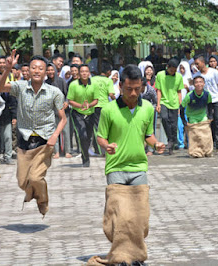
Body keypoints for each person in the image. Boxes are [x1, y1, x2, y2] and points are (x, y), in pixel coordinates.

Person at [90, 64, 165, 266]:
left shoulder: (148, 108)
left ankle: (135, 255)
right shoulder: (109, 110)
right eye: (129, 89)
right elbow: (100, 137)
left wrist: (155, 143)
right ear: (120, 86)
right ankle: (123, 256)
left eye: (137, 89)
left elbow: (148, 134)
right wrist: (107, 146)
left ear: (142, 86)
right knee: (121, 217)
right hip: (115, 169)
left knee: (140, 218)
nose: (133, 93)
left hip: (139, 168)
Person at [0, 50, 67, 216]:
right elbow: (0, 87)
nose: (36, 71)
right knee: (22, 182)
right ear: (27, 71)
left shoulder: (54, 92)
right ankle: (36, 193)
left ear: (46, 72)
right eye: (33, 68)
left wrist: (54, 136)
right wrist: (7, 69)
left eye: (40, 68)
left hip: (45, 142)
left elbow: (62, 119)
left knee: (35, 177)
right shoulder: (20, 87)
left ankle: (42, 200)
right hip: (25, 141)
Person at [67, 64, 98, 167]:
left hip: (90, 113)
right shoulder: (73, 85)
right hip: (77, 113)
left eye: (86, 71)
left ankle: (86, 151)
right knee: (82, 135)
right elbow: (70, 101)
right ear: (79, 74)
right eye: (82, 72)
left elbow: (96, 100)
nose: (84, 73)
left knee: (88, 137)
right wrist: (80, 106)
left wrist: (89, 105)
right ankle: (85, 158)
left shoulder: (94, 84)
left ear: (89, 73)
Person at [194, 54, 218, 150]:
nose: (196, 66)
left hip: (215, 99)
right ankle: (210, 141)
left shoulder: (214, 72)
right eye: (195, 64)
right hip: (204, 101)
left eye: (197, 64)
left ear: (203, 63)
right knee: (207, 122)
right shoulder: (196, 76)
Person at [180, 74, 213, 157]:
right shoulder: (189, 96)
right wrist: (184, 122)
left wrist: (210, 117)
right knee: (195, 136)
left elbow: (210, 105)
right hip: (192, 117)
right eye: (197, 82)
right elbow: (181, 108)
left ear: (204, 83)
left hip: (203, 117)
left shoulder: (207, 94)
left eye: (201, 82)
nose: (199, 84)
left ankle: (207, 151)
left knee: (206, 135)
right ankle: (196, 152)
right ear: (193, 84)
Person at [156, 58, 183, 154]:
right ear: (167, 67)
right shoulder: (160, 75)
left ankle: (171, 143)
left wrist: (180, 104)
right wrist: (158, 104)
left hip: (175, 103)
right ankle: (171, 139)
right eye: (171, 70)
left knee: (173, 124)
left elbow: (179, 91)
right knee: (164, 118)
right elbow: (158, 90)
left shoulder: (179, 77)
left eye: (175, 70)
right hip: (164, 101)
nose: (173, 72)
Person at [0, 70, 17, 165]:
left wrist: (14, 116)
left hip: (6, 118)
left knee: (8, 138)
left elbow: (13, 103)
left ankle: (8, 157)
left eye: (0, 78)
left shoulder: (7, 90)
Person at [46, 63, 72, 159]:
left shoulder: (61, 81)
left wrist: (66, 102)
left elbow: (68, 94)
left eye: (52, 70)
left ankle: (67, 151)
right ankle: (56, 152)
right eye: (48, 70)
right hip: (51, 112)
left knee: (65, 132)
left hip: (63, 111)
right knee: (54, 131)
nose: (50, 72)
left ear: (55, 71)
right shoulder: (45, 83)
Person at [91, 61, 116, 155]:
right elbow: (111, 94)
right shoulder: (108, 80)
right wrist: (117, 101)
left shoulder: (93, 79)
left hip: (94, 106)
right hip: (105, 107)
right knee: (105, 128)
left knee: (97, 128)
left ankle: (98, 149)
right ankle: (104, 150)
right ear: (108, 72)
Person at [176, 61, 192, 149]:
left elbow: (193, 91)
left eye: (183, 68)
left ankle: (189, 142)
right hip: (179, 104)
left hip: (188, 104)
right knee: (179, 125)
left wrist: (188, 88)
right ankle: (180, 143)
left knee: (188, 124)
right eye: (180, 68)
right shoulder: (177, 77)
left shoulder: (190, 79)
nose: (182, 70)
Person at [141, 77, 158, 156]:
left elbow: (155, 101)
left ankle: (151, 149)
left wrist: (152, 110)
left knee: (150, 130)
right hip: (140, 112)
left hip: (150, 112)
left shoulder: (150, 90)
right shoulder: (136, 91)